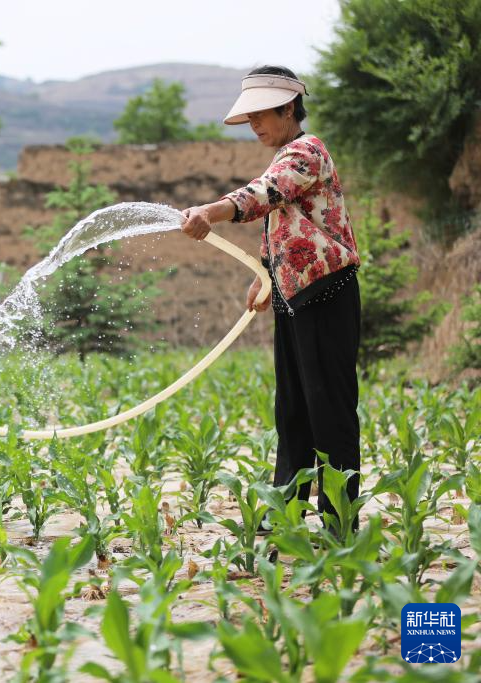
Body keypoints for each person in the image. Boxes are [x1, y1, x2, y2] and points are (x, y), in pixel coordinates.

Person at [179, 66, 361, 531]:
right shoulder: (285, 154)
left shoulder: (305, 151)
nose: (256, 125)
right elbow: (285, 220)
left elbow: (265, 194)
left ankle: (340, 523)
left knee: (329, 411)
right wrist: (266, 275)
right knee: (293, 411)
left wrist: (212, 211)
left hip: (325, 294)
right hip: (294, 294)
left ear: (288, 109)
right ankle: (287, 514)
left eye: (263, 114)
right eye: (251, 117)